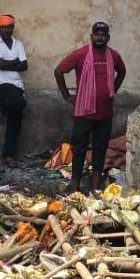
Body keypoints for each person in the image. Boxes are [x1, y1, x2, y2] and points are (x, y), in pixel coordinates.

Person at [54, 22, 126, 193]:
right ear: (91, 36)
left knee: (100, 149)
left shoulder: (114, 56)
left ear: (108, 37)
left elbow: (122, 71)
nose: (100, 37)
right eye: (97, 34)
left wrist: (112, 89)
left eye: (103, 35)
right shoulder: (81, 54)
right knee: (79, 149)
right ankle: (75, 183)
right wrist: (66, 95)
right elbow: (58, 71)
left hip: (105, 113)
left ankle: (95, 185)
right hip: (84, 113)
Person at [0, 14, 27, 166]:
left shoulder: (18, 44)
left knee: (17, 110)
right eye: (4, 27)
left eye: (10, 27)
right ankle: (9, 155)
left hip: (17, 85)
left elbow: (25, 66)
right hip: (1, 83)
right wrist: (15, 62)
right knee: (18, 106)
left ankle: (8, 154)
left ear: (13, 28)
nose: (7, 30)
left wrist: (9, 63)